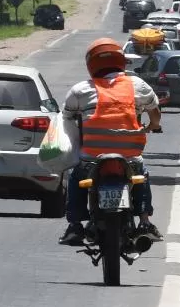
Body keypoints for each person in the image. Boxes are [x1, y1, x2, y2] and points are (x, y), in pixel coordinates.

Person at [59, 37, 165, 246]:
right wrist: (153, 126)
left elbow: (67, 117)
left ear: (91, 64)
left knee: (75, 178)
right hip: (129, 157)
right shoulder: (138, 85)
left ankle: (75, 225)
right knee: (141, 175)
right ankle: (144, 221)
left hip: (91, 159)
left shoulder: (80, 90)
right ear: (121, 60)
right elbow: (155, 115)